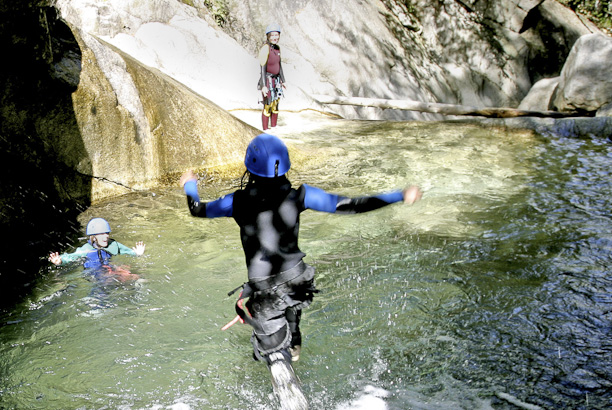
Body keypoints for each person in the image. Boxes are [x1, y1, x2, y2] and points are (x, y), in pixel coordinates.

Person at [180, 133, 422, 364]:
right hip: (298, 279)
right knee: (290, 312)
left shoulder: (236, 201)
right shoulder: (301, 196)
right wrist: (398, 195)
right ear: (285, 165)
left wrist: (190, 185)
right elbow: (350, 205)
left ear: (250, 168)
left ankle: (280, 362)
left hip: (265, 288)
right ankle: (294, 341)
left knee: (271, 352)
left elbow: (197, 209)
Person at [49, 217, 146, 279]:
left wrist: (137, 253)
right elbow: (72, 256)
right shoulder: (86, 249)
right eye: (102, 234)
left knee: (132, 275)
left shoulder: (113, 244)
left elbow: (127, 251)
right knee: (106, 279)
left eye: (107, 233)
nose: (106, 237)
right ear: (94, 237)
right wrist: (61, 261)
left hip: (109, 267)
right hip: (95, 272)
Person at [258, 23, 286, 131]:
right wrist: (263, 85)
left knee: (275, 104)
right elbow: (262, 68)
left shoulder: (277, 48)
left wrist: (283, 80)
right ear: (268, 36)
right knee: (268, 104)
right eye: (272, 35)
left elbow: (279, 65)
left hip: (276, 80)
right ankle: (265, 130)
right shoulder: (265, 48)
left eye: (276, 35)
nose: (275, 37)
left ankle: (274, 128)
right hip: (268, 79)